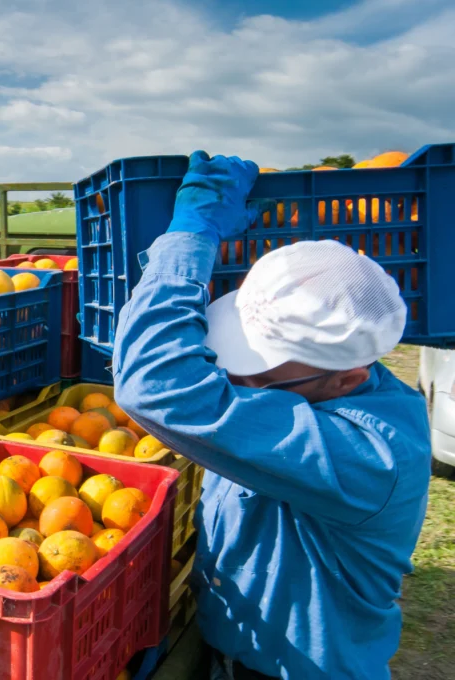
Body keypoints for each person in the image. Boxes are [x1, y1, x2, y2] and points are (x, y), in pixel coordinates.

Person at [112, 152, 431, 680]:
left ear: (348, 377)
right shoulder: (316, 391)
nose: (235, 380)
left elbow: (153, 386)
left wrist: (190, 237)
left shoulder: (368, 456)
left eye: (259, 374)